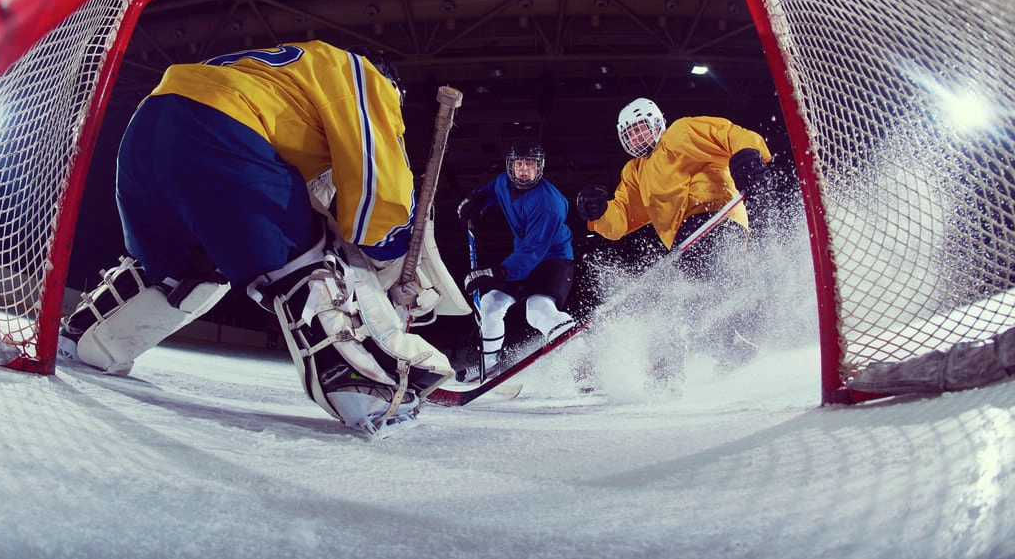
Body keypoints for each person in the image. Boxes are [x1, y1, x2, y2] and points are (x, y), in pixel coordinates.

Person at [58, 40, 456, 434]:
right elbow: (376, 186)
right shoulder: (365, 77)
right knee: (309, 260)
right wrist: (394, 257)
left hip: (148, 130)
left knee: (184, 270)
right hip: (223, 132)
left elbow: (304, 195)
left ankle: (85, 341)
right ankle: (372, 394)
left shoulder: (283, 75)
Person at [575, 97, 774, 376]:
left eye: (641, 128)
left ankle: (670, 364)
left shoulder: (681, 132)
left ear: (657, 123)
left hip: (715, 215)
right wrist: (599, 212)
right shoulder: (635, 172)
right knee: (696, 293)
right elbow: (621, 219)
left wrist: (747, 154)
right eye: (629, 133)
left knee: (683, 292)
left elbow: (730, 133)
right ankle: (730, 346)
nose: (636, 137)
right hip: (687, 239)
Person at [455, 142, 576, 379]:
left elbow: (533, 251)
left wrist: (496, 272)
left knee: (538, 309)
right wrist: (478, 198)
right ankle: (489, 366)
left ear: (539, 167)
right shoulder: (504, 181)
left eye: (530, 164)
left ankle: (582, 361)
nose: (523, 169)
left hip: (553, 261)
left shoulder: (549, 205)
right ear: (510, 166)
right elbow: (494, 190)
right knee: (490, 304)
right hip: (521, 260)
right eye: (518, 163)